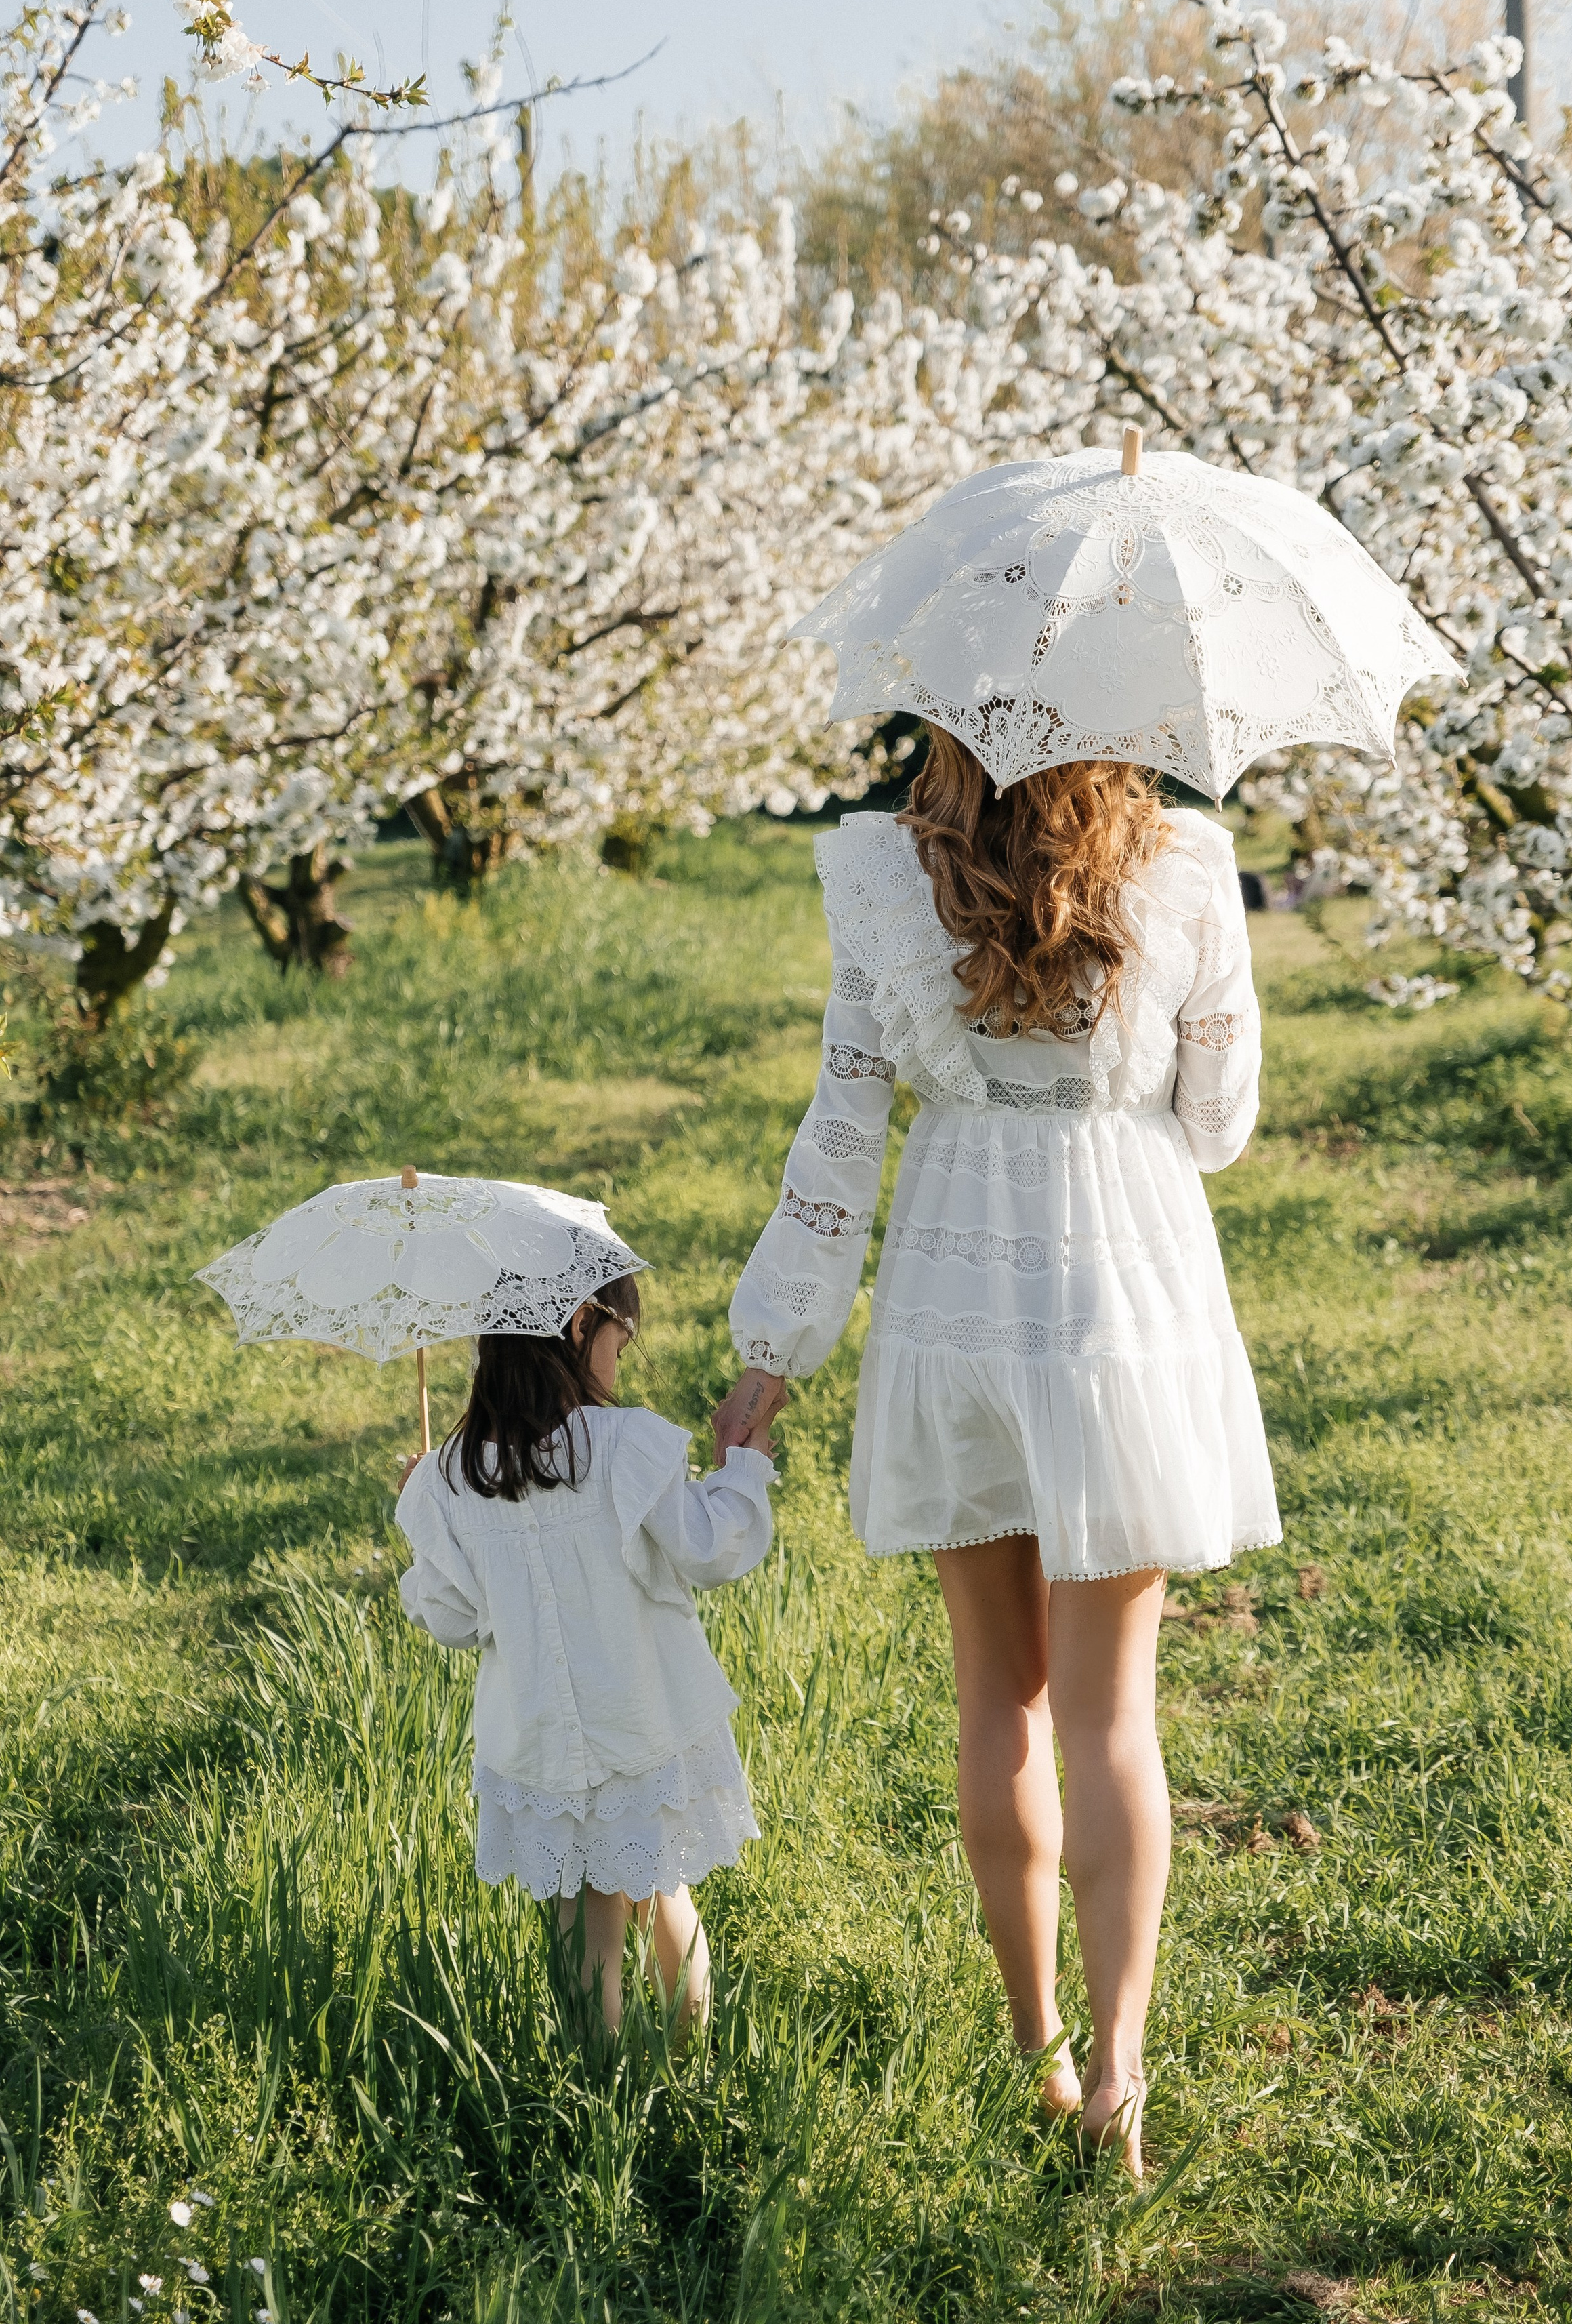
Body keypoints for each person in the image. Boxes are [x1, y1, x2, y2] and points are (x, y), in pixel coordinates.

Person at [715, 731, 1279, 2172]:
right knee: (1111, 1715)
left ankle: (1039, 2051)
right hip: (1122, 1297)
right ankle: (1121, 2078)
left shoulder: (882, 878)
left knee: (998, 1700)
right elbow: (1217, 1130)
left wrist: (774, 1347)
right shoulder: (1188, 870)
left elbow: (842, 1127)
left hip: (951, 1292)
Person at [396, 1250, 781, 2036]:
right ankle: (686, 2064)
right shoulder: (625, 1444)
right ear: (580, 1324)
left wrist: (421, 1515)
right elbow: (711, 1548)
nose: (617, 1360)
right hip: (641, 1729)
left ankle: (597, 2085)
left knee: (583, 1925)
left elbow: (453, 1620)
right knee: (662, 1891)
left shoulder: (449, 1478)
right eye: (619, 1341)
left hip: (539, 1746)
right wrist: (744, 1468)